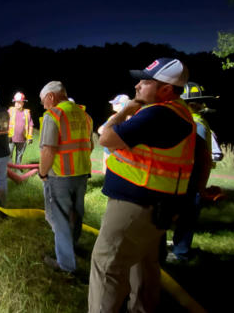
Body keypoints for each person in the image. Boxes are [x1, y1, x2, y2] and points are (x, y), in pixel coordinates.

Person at [88, 58, 196, 313]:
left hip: (134, 208)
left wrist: (124, 111)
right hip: (158, 206)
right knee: (145, 266)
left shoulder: (157, 113)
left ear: (166, 90)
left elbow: (106, 138)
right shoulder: (181, 112)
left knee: (106, 265)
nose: (137, 86)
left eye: (146, 82)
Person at [38, 81, 93, 274]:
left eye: (43, 100)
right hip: (81, 173)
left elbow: (48, 150)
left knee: (60, 219)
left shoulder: (53, 115)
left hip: (60, 175)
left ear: (51, 97)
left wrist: (43, 173)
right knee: (76, 214)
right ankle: (73, 245)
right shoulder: (84, 114)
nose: (43, 105)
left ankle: (66, 264)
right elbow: (90, 145)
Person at [168, 82, 215, 262]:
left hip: (191, 179)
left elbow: (203, 158)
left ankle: (181, 253)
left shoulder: (195, 124)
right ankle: (179, 245)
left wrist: (200, 186)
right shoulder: (197, 121)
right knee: (184, 215)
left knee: (187, 216)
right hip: (188, 177)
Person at [97, 94, 130, 174]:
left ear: (123, 104)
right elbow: (100, 130)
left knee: (118, 174)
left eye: (116, 103)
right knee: (107, 174)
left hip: (119, 152)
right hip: (109, 150)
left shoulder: (129, 117)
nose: (113, 104)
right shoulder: (114, 117)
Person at [8, 91, 34, 165]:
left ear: (23, 103)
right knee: (8, 154)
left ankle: (18, 169)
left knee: (19, 155)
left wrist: (30, 137)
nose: (17, 104)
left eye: (19, 102)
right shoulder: (10, 111)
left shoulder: (27, 113)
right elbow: (4, 122)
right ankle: (10, 169)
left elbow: (30, 125)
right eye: (16, 102)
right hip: (10, 139)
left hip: (22, 139)